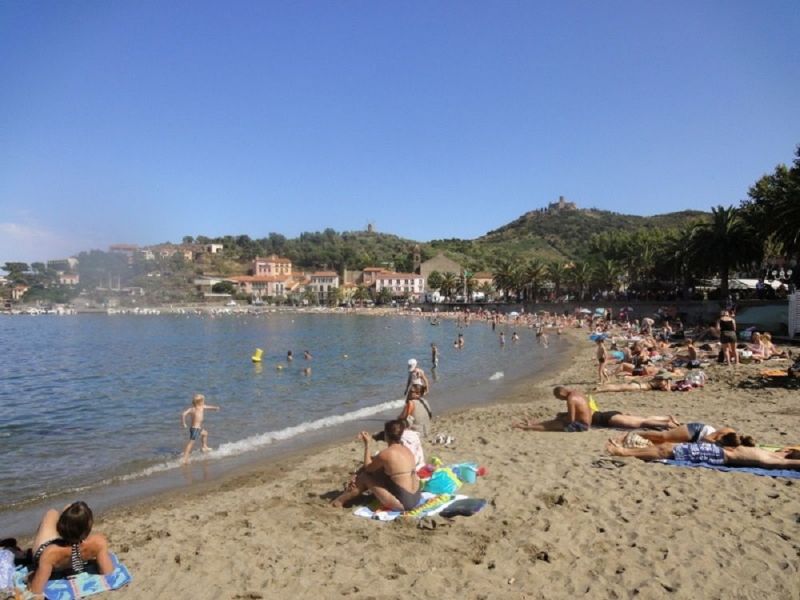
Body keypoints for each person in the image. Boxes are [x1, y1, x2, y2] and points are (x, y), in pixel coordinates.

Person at [331, 420, 421, 511]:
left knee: (364, 477)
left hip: (404, 504)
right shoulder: (407, 450)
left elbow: (368, 469)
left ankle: (339, 501)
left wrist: (368, 444)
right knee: (379, 472)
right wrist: (356, 475)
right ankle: (350, 491)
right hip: (417, 497)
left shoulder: (386, 454)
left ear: (386, 435)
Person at [27, 502, 113, 595]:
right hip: (75, 546)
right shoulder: (98, 542)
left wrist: (30, 579)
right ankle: (74, 526)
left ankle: (67, 523)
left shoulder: (49, 553)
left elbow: (36, 590)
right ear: (88, 527)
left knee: (52, 513)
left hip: (53, 551)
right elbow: (108, 572)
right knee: (70, 508)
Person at [606, 434, 800, 470]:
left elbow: (791, 463)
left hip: (720, 456)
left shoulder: (773, 460)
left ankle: (624, 452)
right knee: (670, 448)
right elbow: (789, 451)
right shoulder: (777, 452)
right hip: (717, 451)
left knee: (667, 451)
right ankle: (627, 450)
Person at [181, 393, 221, 463]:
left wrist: (215, 408)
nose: (204, 402)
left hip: (196, 428)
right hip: (195, 429)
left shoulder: (196, 408)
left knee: (205, 433)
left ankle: (204, 447)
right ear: (199, 402)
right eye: (203, 401)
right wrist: (184, 423)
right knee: (190, 443)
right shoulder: (196, 408)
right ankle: (185, 458)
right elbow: (183, 414)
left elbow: (208, 407)